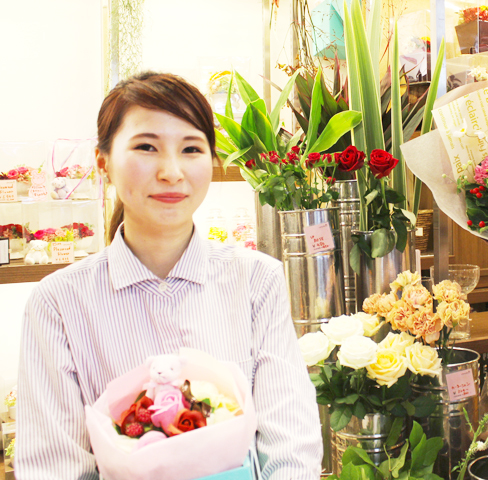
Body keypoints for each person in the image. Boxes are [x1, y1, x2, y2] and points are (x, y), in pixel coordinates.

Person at [15, 72, 323, 479]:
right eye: (146, 147)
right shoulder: (57, 303)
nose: (172, 171)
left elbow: (291, 445)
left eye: (192, 149)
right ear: (103, 162)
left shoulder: (256, 281)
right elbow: (53, 466)